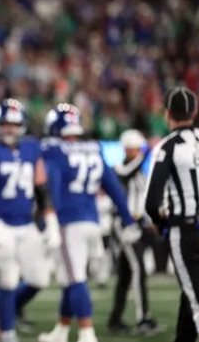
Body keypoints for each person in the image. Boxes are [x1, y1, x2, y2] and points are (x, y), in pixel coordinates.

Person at [38, 103, 142, 342]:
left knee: (75, 278)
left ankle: (87, 333)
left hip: (68, 221)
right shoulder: (93, 148)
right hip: (92, 221)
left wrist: (49, 216)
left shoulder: (54, 149)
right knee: (70, 276)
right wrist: (127, 219)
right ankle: (62, 330)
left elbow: (51, 185)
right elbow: (113, 187)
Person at [0, 99, 56, 342]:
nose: (10, 129)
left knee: (39, 278)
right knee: (9, 277)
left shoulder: (31, 149)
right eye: (5, 124)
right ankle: (7, 332)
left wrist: (50, 221)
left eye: (14, 124)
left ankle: (1, 313)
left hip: (25, 222)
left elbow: (41, 188)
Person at [144, 86, 199, 342]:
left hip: (185, 232)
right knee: (192, 294)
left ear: (167, 114)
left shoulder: (167, 147)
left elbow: (151, 203)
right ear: (194, 111)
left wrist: (162, 226)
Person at [107, 129, 160, 335]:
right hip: (125, 225)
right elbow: (126, 171)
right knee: (139, 269)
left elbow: (142, 198)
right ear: (126, 149)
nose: (138, 153)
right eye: (135, 149)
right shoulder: (119, 168)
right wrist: (148, 150)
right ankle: (143, 319)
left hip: (138, 224)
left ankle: (115, 319)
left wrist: (150, 219)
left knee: (125, 274)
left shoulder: (137, 170)